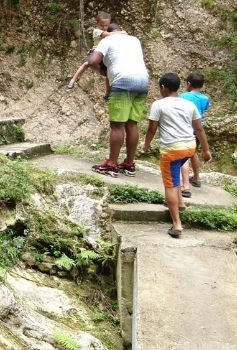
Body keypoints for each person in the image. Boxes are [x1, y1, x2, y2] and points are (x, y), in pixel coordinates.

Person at [142, 73, 212, 238]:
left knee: (170, 185)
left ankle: (177, 225)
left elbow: (152, 128)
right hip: (189, 148)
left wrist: (146, 145)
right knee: (175, 175)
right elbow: (199, 129)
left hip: (171, 150)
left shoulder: (158, 104)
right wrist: (206, 150)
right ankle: (180, 203)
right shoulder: (189, 105)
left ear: (163, 88)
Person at [88, 23, 149, 177]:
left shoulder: (107, 40)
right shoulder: (134, 40)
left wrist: (103, 72)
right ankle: (129, 163)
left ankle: (111, 164)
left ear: (108, 32)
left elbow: (93, 61)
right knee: (132, 124)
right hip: (142, 81)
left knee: (117, 126)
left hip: (123, 82)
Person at [179, 72, 211, 198]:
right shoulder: (205, 99)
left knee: (184, 154)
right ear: (201, 85)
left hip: (186, 128)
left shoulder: (183, 96)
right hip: (198, 129)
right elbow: (205, 109)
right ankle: (197, 178)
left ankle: (185, 185)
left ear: (188, 84)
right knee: (193, 152)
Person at [66, 12, 112, 94]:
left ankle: (107, 93)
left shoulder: (108, 31)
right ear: (97, 24)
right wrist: (121, 32)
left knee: (109, 73)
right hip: (96, 51)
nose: (104, 27)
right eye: (102, 25)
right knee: (86, 64)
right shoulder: (97, 31)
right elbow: (108, 34)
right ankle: (73, 80)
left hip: (105, 54)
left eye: (106, 25)